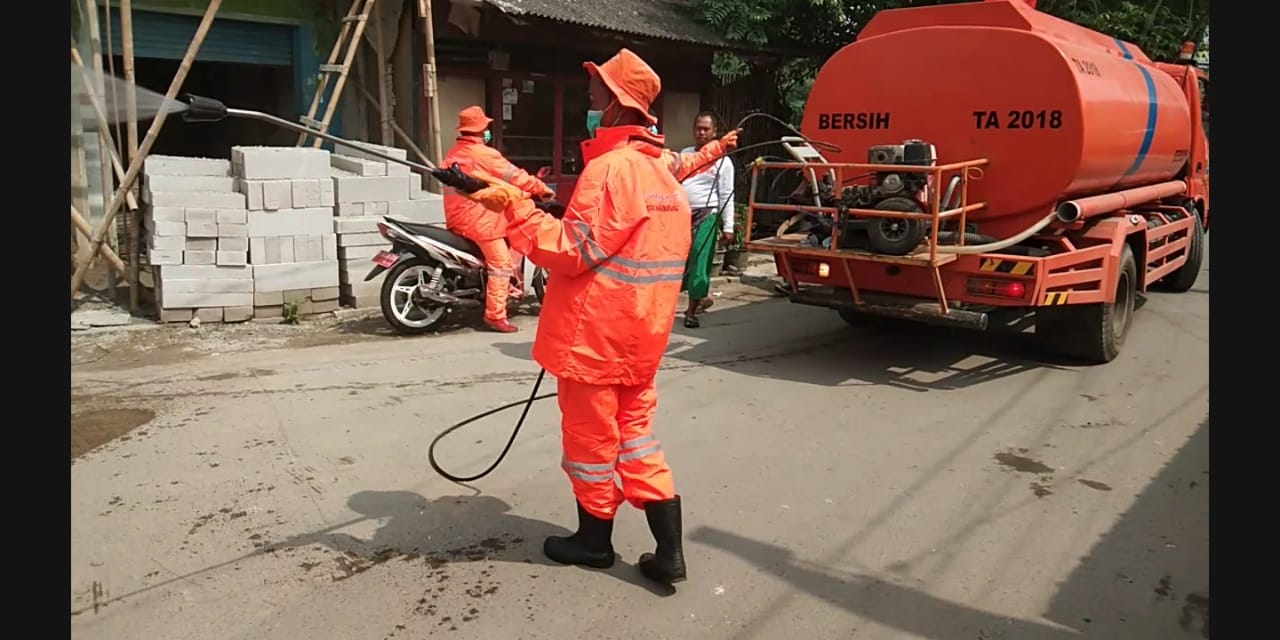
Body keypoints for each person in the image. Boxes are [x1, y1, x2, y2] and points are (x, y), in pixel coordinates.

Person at [459, 48, 740, 587]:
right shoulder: (661, 170)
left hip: (595, 340)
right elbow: (665, 187)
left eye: (593, 98)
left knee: (590, 445)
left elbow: (571, 250)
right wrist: (718, 148)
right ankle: (670, 552)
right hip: (644, 337)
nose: (588, 105)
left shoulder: (609, 170)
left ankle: (593, 543)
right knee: (637, 438)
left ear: (615, 105)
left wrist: (510, 207)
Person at [441, 105, 555, 333]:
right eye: (486, 128)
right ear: (481, 129)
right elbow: (515, 175)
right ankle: (495, 316)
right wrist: (541, 188)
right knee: (501, 265)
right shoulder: (485, 155)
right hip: (480, 220)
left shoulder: (454, 153)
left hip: (458, 217)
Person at [678, 111, 736, 328]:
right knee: (682, 263)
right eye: (698, 128)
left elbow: (727, 194)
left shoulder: (724, 162)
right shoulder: (685, 154)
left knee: (700, 262)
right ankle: (702, 297)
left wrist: (728, 226)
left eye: (706, 129)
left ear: (714, 133)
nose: (701, 133)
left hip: (707, 216)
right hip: (682, 215)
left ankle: (691, 313)